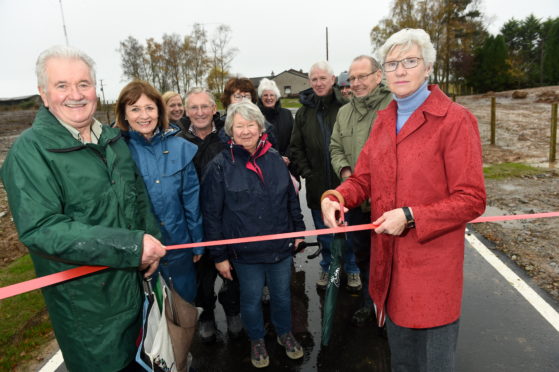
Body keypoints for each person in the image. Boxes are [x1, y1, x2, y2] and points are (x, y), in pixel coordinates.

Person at [321, 28, 486, 371]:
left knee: (434, 363)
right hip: (389, 264)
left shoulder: (455, 121)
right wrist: (337, 196)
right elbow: (364, 177)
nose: (399, 70)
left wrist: (411, 216)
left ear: (428, 68)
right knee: (403, 362)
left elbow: (471, 199)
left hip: (431, 268)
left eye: (409, 61)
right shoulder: (384, 121)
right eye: (392, 63)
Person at [0, 46, 166, 372]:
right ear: (44, 95)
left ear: (96, 88)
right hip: (90, 313)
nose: (75, 95)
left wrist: (152, 243)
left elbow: (139, 198)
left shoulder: (113, 141)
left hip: (137, 294)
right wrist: (133, 246)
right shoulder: (30, 153)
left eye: (84, 84)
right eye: (62, 85)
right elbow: (42, 229)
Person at [201, 101, 305, 368]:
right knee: (250, 298)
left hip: (280, 246)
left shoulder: (275, 159)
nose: (246, 131)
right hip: (245, 254)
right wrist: (219, 256)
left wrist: (299, 230)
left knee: (282, 295)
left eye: (251, 125)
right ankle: (256, 339)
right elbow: (211, 216)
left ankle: (284, 333)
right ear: (230, 130)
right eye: (239, 126)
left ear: (260, 128)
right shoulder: (219, 166)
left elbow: (290, 199)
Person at [115, 80, 203, 304]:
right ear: (124, 114)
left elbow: (191, 200)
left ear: (158, 111)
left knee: (184, 305)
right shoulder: (116, 152)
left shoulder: (180, 148)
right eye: (135, 109)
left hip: (179, 245)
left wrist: (197, 241)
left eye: (149, 108)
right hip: (138, 252)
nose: (143, 115)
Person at [329, 55, 392, 326]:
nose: (356, 83)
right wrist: (345, 173)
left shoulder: (395, 107)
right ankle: (370, 304)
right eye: (352, 78)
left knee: (391, 259)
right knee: (364, 255)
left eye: (362, 76)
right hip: (356, 203)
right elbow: (335, 147)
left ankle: (392, 309)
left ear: (378, 76)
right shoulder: (344, 113)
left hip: (389, 204)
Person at [288, 61, 361, 291]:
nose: (319, 83)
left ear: (332, 80)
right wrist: (308, 173)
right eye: (314, 79)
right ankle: (329, 267)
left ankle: (352, 269)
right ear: (310, 82)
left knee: (348, 231)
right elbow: (296, 147)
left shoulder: (347, 107)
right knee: (325, 233)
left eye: (323, 78)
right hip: (318, 185)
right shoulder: (303, 113)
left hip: (346, 185)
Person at [178, 87, 242, 342]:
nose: (200, 112)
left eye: (205, 106)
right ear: (186, 111)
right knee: (201, 279)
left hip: (229, 219)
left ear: (214, 108)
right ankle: (206, 317)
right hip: (195, 221)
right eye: (194, 107)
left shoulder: (229, 135)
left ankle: (234, 311)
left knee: (233, 271)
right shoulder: (177, 140)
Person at [221, 77, 278, 149]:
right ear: (228, 100)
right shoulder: (220, 126)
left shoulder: (265, 126)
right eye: (238, 96)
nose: (243, 100)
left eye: (247, 97)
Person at [257, 78, 294, 163]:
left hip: (288, 163)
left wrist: (287, 156)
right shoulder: (256, 116)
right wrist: (275, 158)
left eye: (272, 95)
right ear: (261, 98)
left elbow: (294, 139)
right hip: (265, 163)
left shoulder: (287, 114)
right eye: (265, 95)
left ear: (276, 97)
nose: (269, 98)